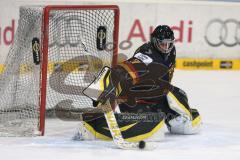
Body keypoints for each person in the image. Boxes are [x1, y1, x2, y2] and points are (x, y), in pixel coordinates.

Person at [73, 25, 202, 142]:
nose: (166, 48)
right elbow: (128, 68)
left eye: (169, 44)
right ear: (154, 41)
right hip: (135, 100)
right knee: (154, 127)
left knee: (187, 123)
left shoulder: (171, 51)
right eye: (163, 44)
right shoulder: (147, 54)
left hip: (155, 97)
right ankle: (92, 126)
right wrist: (107, 83)